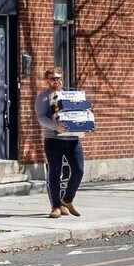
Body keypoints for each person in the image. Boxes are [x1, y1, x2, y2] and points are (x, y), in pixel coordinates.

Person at [37, 66, 94, 217]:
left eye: (58, 78)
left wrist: (86, 118)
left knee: (79, 170)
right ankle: (55, 206)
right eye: (52, 79)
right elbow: (41, 117)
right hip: (53, 140)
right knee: (55, 173)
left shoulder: (72, 96)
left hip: (73, 139)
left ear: (62, 79)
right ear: (47, 80)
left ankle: (67, 199)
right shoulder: (43, 98)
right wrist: (57, 126)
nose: (56, 81)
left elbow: (81, 111)